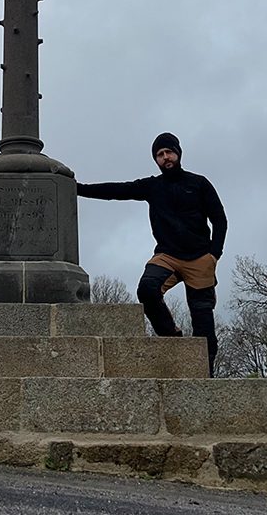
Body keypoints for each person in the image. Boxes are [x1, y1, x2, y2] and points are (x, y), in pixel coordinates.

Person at [77, 132, 227, 376]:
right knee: (147, 289)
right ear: (156, 160)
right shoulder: (153, 186)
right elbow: (117, 190)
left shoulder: (199, 183)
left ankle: (206, 377)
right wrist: (77, 189)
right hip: (167, 255)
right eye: (160, 154)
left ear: (178, 153)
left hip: (200, 257)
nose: (165, 157)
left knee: (204, 325)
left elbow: (219, 220)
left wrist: (214, 255)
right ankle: (173, 337)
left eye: (169, 152)